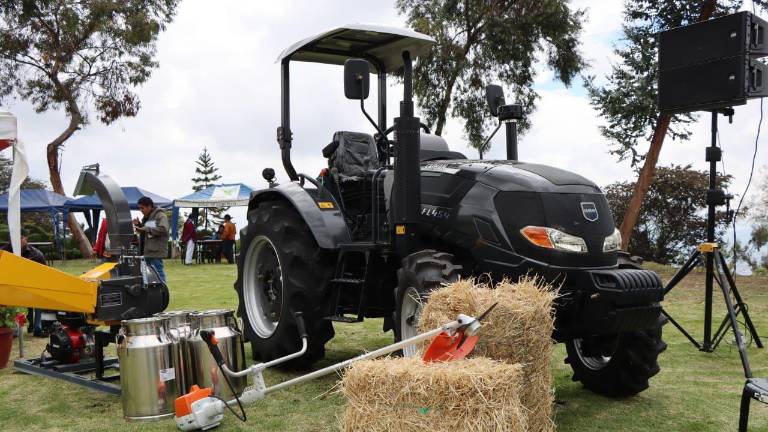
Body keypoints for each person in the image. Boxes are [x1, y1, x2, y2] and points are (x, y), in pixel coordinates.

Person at [1, 228, 48, 337]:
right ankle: (13, 328)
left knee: (39, 298)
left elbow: (45, 273)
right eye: (14, 238)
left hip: (32, 284)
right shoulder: (5, 250)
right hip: (13, 285)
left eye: (21, 238)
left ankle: (37, 327)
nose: (18, 240)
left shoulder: (37, 254)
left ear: (26, 239)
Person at [133, 196, 170, 283]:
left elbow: (163, 229)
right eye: (140, 208)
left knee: (158, 273)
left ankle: (163, 293)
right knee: (148, 276)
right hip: (147, 251)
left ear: (149, 206)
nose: (141, 210)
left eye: (142, 208)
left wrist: (145, 229)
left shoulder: (160, 215)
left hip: (155, 251)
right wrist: (139, 225)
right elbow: (148, 229)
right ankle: (155, 294)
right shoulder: (147, 217)